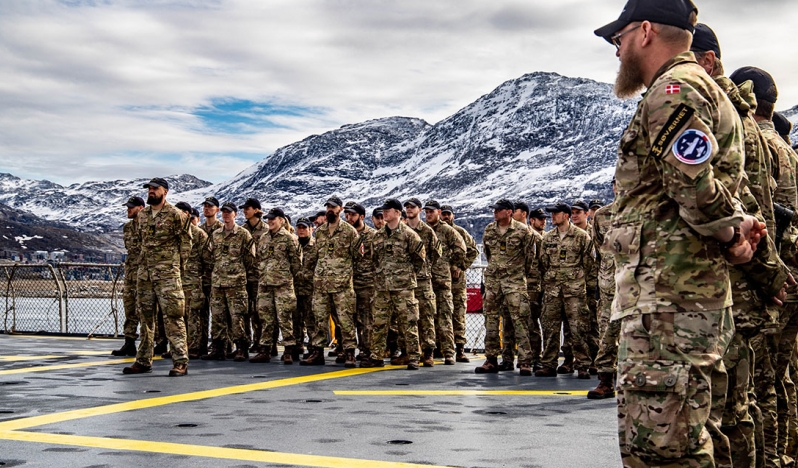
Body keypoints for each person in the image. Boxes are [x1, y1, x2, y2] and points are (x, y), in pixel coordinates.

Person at [594, 2, 764, 465]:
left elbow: (692, 181)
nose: (618, 51)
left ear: (645, 30)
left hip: (668, 300)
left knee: (663, 451)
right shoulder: (696, 88)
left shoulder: (673, 89)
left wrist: (731, 236)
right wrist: (735, 226)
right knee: (694, 437)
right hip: (683, 298)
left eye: (620, 38)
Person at [731, 65, 798, 468]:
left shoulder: (756, 144)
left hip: (774, 278)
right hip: (791, 274)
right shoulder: (789, 150)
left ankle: (771, 459)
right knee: (783, 376)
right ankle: (786, 453)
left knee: (760, 384)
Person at [123, 177, 192, 377]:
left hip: (168, 275)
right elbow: (139, 242)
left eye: (155, 189)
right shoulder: (142, 216)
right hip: (145, 275)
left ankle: (180, 361)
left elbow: (186, 243)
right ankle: (143, 360)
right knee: (145, 318)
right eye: (149, 189)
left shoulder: (175, 215)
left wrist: (177, 267)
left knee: (173, 318)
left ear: (165, 192)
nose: (151, 192)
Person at [362, 198, 426, 370]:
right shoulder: (378, 236)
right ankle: (377, 356)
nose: (384, 213)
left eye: (388, 210)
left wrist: (405, 275)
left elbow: (419, 260)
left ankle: (413, 356)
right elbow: (373, 259)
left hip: (403, 288)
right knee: (379, 323)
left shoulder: (409, 235)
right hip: (382, 287)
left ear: (398, 213)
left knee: (408, 323)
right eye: (383, 210)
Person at [475, 198, 535, 376]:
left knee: (520, 321)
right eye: (494, 209)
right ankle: (491, 359)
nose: (495, 212)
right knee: (491, 320)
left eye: (499, 209)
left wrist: (517, 274)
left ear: (509, 212)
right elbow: (488, 253)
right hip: (494, 282)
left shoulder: (523, 231)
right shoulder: (489, 230)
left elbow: (529, 258)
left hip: (514, 281)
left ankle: (525, 361)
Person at [300, 196, 362, 367]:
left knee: (345, 320)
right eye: (328, 207)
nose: (330, 210)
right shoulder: (319, 233)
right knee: (319, 319)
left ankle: (349, 352)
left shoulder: (350, 232)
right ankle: (318, 352)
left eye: (333, 207)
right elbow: (313, 258)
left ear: (340, 209)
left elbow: (359, 258)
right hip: (321, 285)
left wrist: (348, 276)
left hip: (342, 286)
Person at [535, 202, 593, 379]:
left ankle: (582, 364)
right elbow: (543, 263)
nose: (552, 217)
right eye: (551, 214)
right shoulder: (548, 238)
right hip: (552, 291)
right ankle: (549, 364)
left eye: (556, 214)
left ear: (566, 216)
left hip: (574, 291)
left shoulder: (582, 237)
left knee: (578, 329)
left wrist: (585, 286)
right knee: (550, 329)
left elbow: (589, 264)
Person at [202, 202, 255, 362]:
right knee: (217, 317)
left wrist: (237, 272)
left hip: (236, 284)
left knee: (237, 317)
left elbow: (250, 259)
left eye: (229, 212)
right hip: (217, 283)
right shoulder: (216, 234)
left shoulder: (243, 234)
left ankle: (241, 348)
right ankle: (218, 348)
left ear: (235, 214)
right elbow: (209, 257)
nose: (226, 215)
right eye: (224, 212)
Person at [250, 208, 302, 364]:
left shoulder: (289, 238)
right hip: (265, 285)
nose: (270, 221)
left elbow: (296, 263)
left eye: (273, 218)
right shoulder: (264, 238)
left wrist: (284, 277)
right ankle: (265, 349)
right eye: (268, 218)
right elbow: (258, 259)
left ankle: (289, 350)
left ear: (281, 220)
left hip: (283, 286)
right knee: (266, 318)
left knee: (285, 318)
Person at [424, 200, 467, 365]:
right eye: (426, 212)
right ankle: (431, 351)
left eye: (432, 211)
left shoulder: (448, 231)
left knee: (445, 318)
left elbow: (462, 249)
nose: (429, 214)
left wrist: (455, 265)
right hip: (427, 281)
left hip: (442, 282)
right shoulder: (424, 230)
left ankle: (450, 352)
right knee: (428, 318)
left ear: (438, 212)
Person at [440, 205, 480, 363]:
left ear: (453, 216)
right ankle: (440, 348)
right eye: (442, 214)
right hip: (439, 281)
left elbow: (473, 251)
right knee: (440, 315)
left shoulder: (460, 232)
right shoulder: (434, 232)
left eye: (448, 214)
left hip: (456, 282)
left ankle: (460, 350)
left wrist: (460, 266)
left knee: (458, 315)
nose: (445, 217)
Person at [404, 198, 441, 367]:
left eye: (412, 207)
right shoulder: (401, 230)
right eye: (407, 207)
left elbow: (436, 252)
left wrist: (424, 268)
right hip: (405, 281)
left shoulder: (426, 231)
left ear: (419, 210)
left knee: (426, 317)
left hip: (423, 280)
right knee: (408, 318)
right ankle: (411, 351)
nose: (409, 210)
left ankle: (428, 353)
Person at [174, 202, 211, 360]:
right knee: (177, 316)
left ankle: (194, 347)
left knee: (194, 316)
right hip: (177, 281)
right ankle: (178, 347)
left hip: (194, 282)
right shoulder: (174, 233)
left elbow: (208, 260)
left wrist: (203, 279)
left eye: (181, 213)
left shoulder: (199, 234)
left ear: (188, 214)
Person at [112, 196, 145, 357]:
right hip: (131, 274)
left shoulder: (147, 226)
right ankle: (129, 342)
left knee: (145, 311)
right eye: (128, 207)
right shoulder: (127, 228)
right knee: (129, 309)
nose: (128, 210)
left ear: (141, 208)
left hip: (145, 274)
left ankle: (151, 344)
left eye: (131, 207)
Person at [344, 202, 376, 361]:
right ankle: (347, 350)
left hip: (365, 283)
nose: (349, 218)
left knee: (365, 320)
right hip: (345, 284)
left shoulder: (372, 235)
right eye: (347, 215)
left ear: (361, 217)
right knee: (346, 319)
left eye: (352, 215)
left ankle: (366, 350)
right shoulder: (343, 234)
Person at [240, 198, 267, 353]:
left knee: (259, 311)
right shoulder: (242, 230)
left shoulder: (265, 230)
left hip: (260, 276)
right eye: (244, 208)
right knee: (245, 311)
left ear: (257, 210)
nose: (245, 211)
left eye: (248, 208)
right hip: (244, 276)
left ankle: (260, 341)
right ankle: (246, 340)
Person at [199, 196, 223, 356]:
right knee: (200, 313)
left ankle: (220, 345)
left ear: (217, 210)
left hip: (218, 278)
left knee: (218, 314)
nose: (207, 209)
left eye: (210, 206)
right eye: (205, 206)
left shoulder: (222, 229)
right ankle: (199, 344)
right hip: (202, 278)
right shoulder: (200, 230)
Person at [294, 217, 316, 359]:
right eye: (299, 228)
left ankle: (313, 347)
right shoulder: (293, 245)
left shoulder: (316, 246)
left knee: (311, 320)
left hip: (310, 289)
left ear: (310, 229)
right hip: (295, 288)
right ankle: (297, 345)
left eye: (304, 228)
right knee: (295, 319)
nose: (301, 230)